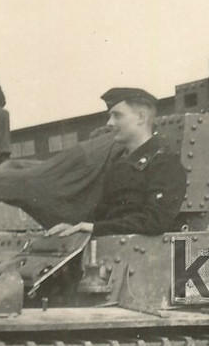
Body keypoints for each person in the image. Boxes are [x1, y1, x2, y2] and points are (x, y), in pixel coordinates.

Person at [45, 88, 187, 237]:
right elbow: (104, 215)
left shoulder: (165, 163)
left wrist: (96, 228)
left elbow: (155, 221)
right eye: (110, 116)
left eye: (117, 116)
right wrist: (74, 228)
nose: (109, 123)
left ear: (141, 117)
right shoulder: (118, 162)